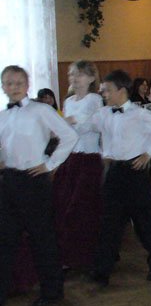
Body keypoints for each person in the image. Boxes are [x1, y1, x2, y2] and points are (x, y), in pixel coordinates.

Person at [0, 65, 78, 306]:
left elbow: (69, 136)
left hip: (34, 180)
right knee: (5, 239)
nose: (14, 87)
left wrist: (50, 164)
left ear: (27, 85)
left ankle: (52, 291)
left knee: (42, 237)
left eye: (19, 82)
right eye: (9, 83)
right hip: (8, 181)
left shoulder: (41, 110)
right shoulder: (2, 116)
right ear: (3, 87)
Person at [88, 70, 151, 286]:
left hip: (135, 172)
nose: (104, 94)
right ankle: (102, 270)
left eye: (107, 90)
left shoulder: (139, 114)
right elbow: (86, 126)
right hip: (115, 172)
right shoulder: (104, 113)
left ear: (121, 90)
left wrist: (149, 153)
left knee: (145, 221)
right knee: (110, 222)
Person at [54, 60, 104, 272]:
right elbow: (66, 133)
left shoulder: (95, 99)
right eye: (72, 75)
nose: (74, 79)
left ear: (91, 78)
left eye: (80, 74)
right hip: (72, 158)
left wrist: (74, 120)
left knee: (82, 207)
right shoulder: (69, 101)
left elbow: (96, 125)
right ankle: (66, 254)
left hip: (89, 158)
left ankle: (86, 255)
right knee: (63, 204)